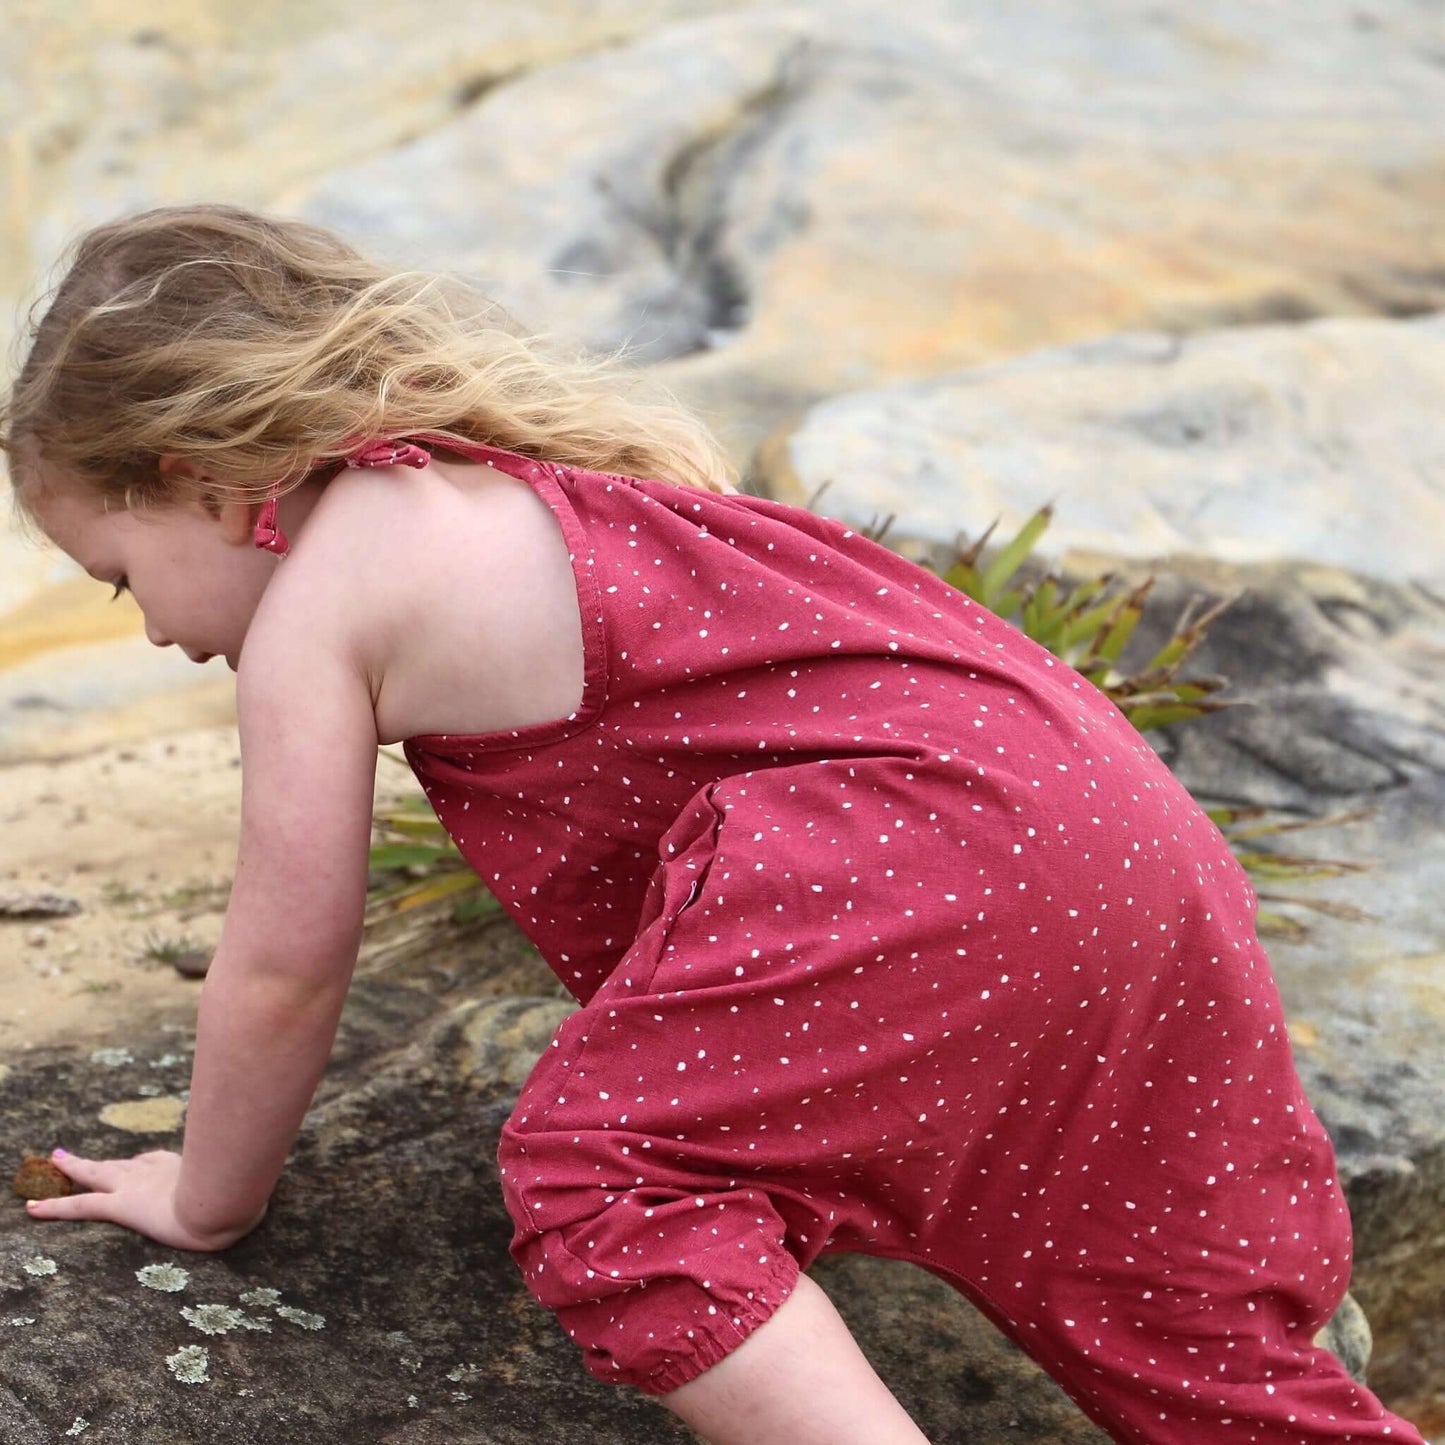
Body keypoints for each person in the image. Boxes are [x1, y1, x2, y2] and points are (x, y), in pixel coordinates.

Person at [1, 203, 1425, 1445]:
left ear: (200, 480)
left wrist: (208, 1196)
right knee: (1167, 1318)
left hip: (920, 852)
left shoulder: (326, 607)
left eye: (119, 577)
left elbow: (283, 962)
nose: (151, 632)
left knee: (606, 1181)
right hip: (1097, 817)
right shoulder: (501, 486)